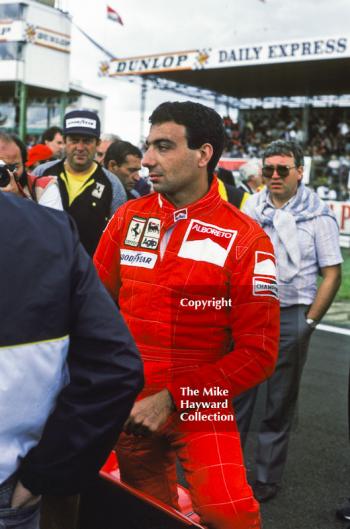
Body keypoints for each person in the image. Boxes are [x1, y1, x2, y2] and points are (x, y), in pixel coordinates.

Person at [94, 101, 280, 529]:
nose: (149, 160)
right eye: (148, 146)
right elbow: (90, 306)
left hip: (200, 405)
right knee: (145, 512)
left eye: (164, 146)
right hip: (130, 402)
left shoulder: (247, 240)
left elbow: (260, 352)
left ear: (204, 154)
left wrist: (175, 397)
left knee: (231, 515)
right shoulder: (127, 218)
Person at [0, 191, 143, 529]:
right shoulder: (49, 228)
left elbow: (115, 369)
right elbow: (116, 368)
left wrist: (46, 473)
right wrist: (48, 474)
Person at [235, 139, 342, 503]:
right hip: (250, 312)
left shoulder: (318, 214)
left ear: (300, 171)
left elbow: (332, 273)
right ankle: (228, 470)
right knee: (238, 396)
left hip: (292, 312)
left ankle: (266, 476)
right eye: (269, 169)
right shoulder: (252, 206)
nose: (275, 176)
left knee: (279, 402)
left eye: (283, 169)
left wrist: (308, 323)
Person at [33, 109, 127, 256]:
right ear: (64, 141)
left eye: (87, 141)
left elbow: (118, 238)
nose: (80, 148)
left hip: (89, 273)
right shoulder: (41, 173)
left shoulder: (112, 185)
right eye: (74, 140)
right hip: (45, 268)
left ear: (98, 143)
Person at [0, 133, 62, 209]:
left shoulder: (43, 188)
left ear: (24, 164)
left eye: (12, 167)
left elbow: (51, 220)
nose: (7, 173)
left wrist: (18, 200)